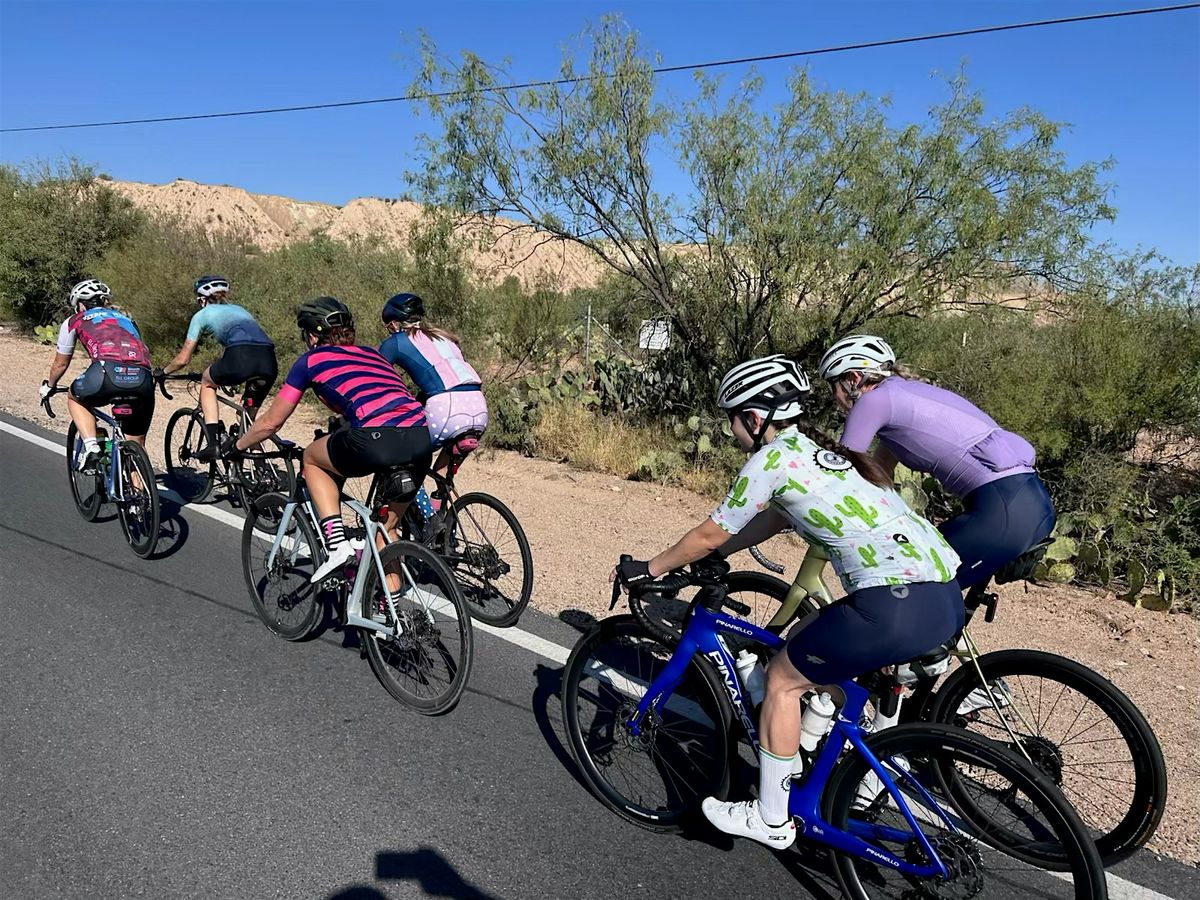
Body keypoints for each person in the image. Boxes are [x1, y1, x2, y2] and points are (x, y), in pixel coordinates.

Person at [611, 354, 963, 849]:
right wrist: (716, 553)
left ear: (755, 419)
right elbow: (773, 520)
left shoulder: (771, 460)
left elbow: (711, 532)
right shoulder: (830, 455)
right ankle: (812, 753)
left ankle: (771, 818)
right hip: (943, 598)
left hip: (891, 603)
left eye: (733, 420)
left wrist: (650, 569)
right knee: (801, 646)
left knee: (780, 680)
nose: (733, 432)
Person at [818, 334, 1055, 589]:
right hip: (1029, 501)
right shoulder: (905, 395)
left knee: (909, 587)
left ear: (853, 379)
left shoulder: (873, 401)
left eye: (834, 386)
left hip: (1000, 508)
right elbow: (879, 477)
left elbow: (839, 471)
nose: (834, 398)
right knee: (923, 592)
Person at [225, 297, 432, 584]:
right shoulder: (372, 354)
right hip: (421, 437)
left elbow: (271, 422)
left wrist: (235, 447)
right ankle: (395, 615)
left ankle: (337, 546)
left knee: (311, 458)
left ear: (311, 335)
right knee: (387, 529)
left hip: (374, 438)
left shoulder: (309, 361)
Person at [378, 292, 488, 519]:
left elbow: (376, 379)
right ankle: (440, 509)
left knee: (402, 460)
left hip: (445, 406)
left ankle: (427, 519)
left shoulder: (396, 341)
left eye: (389, 327)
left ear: (394, 324)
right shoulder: (444, 338)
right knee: (442, 465)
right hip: (478, 405)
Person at [40, 279, 156, 472]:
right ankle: (140, 499)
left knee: (75, 396)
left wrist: (50, 385)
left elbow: (61, 362)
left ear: (80, 304)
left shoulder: (75, 320)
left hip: (106, 372)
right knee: (136, 446)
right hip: (143, 377)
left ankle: (92, 446)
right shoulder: (127, 318)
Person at [159, 275, 278, 460]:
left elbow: (183, 359)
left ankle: (213, 444)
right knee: (247, 420)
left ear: (202, 299)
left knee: (207, 382)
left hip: (240, 357)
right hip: (269, 360)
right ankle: (263, 471)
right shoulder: (241, 310)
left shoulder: (202, 315)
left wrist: (163, 372)